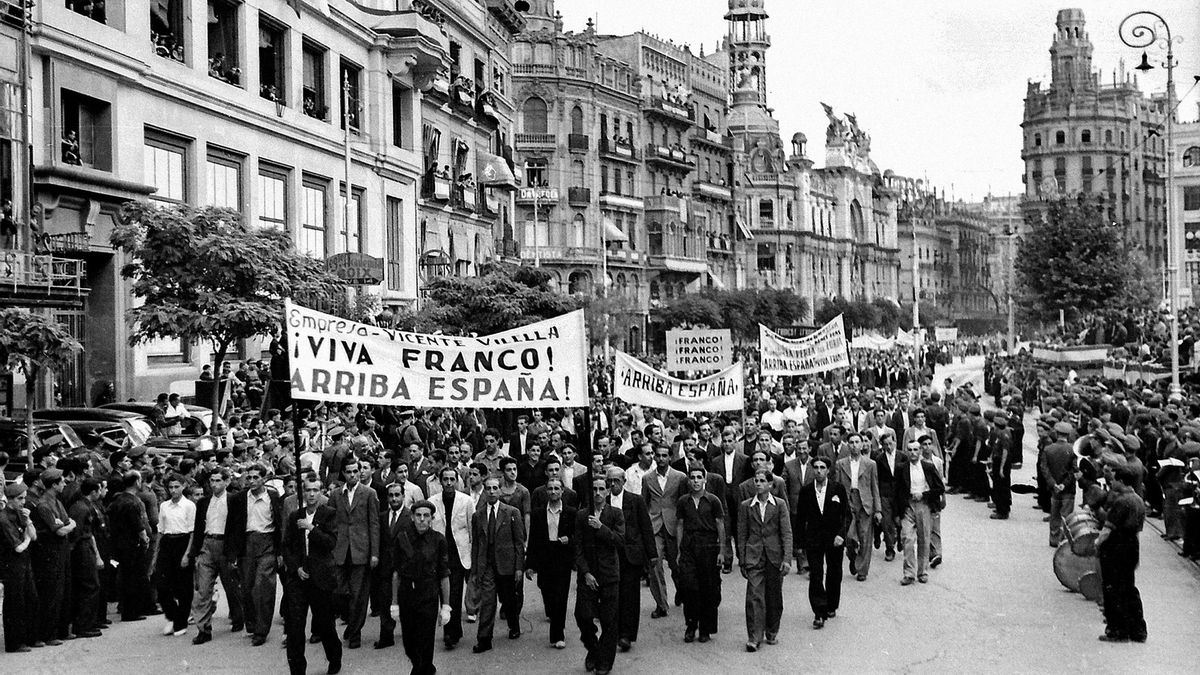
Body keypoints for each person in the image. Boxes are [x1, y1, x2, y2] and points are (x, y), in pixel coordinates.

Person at [282, 477, 342, 675]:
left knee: (325, 624)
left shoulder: (329, 514)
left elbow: (330, 543)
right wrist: (296, 567)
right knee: (295, 626)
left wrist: (311, 529)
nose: (311, 494)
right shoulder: (295, 516)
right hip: (300, 579)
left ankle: (334, 658)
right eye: (308, 490)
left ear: (321, 492)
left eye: (316, 490)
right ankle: (297, 668)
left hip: (321, 578)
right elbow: (288, 546)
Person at [737, 468, 793, 652]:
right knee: (754, 596)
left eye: (762, 481)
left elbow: (786, 532)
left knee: (773, 596)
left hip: (774, 556)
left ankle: (772, 631)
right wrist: (743, 559)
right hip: (754, 557)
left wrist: (786, 559)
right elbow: (742, 533)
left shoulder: (779, 504)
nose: (758, 484)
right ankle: (754, 637)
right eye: (756, 481)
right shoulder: (746, 505)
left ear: (770, 484)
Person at [187, 468, 245, 644]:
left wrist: (234, 553)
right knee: (203, 589)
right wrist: (195, 552)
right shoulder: (204, 502)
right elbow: (198, 528)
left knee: (231, 586)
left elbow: (238, 528)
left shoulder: (234, 500)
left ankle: (238, 617)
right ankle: (204, 629)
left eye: (218, 480)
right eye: (212, 480)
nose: (214, 484)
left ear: (226, 482)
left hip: (225, 546)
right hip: (207, 544)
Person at [393, 500, 451, 675]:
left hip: (428, 596)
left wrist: (446, 606)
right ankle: (422, 667)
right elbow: (396, 573)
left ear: (432, 518)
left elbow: (444, 575)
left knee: (425, 640)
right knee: (409, 643)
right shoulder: (402, 538)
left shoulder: (439, 540)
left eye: (426, 516)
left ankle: (422, 669)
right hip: (407, 596)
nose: (422, 519)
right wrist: (394, 603)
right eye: (418, 515)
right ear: (412, 517)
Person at [574, 476, 625, 675]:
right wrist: (585, 572)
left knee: (609, 621)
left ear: (607, 491)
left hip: (609, 573)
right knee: (583, 616)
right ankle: (593, 649)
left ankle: (605, 662)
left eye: (601, 489)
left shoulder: (616, 514)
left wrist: (601, 527)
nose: (597, 493)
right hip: (588, 573)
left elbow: (620, 540)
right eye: (594, 489)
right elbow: (577, 546)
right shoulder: (581, 516)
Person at [470, 476, 526, 653]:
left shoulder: (511, 512)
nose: (492, 492)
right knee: (488, 602)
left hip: (507, 565)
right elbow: (477, 544)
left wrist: (519, 567)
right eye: (488, 489)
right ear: (484, 491)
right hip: (487, 565)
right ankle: (484, 638)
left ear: (500, 490)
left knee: (509, 599)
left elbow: (519, 542)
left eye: (495, 488)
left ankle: (513, 625)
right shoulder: (478, 516)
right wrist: (475, 569)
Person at [330, 456, 380, 649]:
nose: (352, 475)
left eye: (355, 472)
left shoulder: (369, 493)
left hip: (361, 550)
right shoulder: (335, 495)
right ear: (343, 473)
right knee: (339, 591)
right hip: (341, 550)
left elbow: (374, 524)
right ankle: (350, 624)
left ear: (359, 472)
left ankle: (355, 632)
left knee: (359, 594)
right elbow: (331, 522)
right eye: (348, 472)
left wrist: (374, 553)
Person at [605, 466, 656, 653]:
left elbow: (646, 528)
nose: (612, 484)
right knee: (612, 594)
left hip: (631, 555)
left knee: (630, 596)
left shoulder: (635, 501)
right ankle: (613, 632)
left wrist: (652, 555)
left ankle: (626, 634)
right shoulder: (603, 501)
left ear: (624, 481)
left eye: (616, 481)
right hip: (610, 555)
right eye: (609, 481)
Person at [796, 456, 850, 629]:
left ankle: (832, 604)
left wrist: (841, 534)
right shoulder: (806, 491)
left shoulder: (837, 489)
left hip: (834, 538)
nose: (819, 471)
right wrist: (799, 543)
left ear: (828, 470)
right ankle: (819, 612)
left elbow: (846, 515)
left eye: (822, 468)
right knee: (816, 574)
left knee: (834, 572)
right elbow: (800, 518)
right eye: (816, 467)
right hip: (814, 538)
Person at [233, 463, 284, 646]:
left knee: (264, 587)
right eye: (249, 477)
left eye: (256, 477)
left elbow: (279, 525)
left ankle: (262, 631)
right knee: (247, 587)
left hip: (267, 543)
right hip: (247, 544)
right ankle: (252, 624)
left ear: (264, 478)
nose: (252, 481)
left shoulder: (273, 497)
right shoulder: (240, 498)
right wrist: (233, 553)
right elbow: (232, 526)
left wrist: (280, 552)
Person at [1096, 464, 1148, 643]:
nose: (1113, 481)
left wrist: (1097, 543)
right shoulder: (1138, 500)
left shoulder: (1121, 501)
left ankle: (1117, 629)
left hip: (1117, 545)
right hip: (1132, 544)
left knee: (1113, 588)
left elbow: (1107, 529)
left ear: (1122, 481)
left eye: (1116, 479)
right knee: (1128, 587)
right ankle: (1138, 629)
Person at [675, 465, 726, 644]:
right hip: (689, 547)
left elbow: (720, 524)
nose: (696, 481)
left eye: (699, 477)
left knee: (708, 589)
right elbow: (680, 524)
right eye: (693, 478)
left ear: (705, 480)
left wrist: (722, 550)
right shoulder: (683, 501)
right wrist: (679, 550)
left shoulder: (713, 501)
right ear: (688, 480)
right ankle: (691, 625)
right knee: (689, 588)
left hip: (709, 547)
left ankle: (705, 628)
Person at [525, 478, 576, 649]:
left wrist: (569, 539)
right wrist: (530, 565)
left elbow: (579, 536)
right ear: (546, 492)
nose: (553, 492)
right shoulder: (539, 513)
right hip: (545, 557)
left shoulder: (570, 512)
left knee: (560, 596)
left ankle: (557, 634)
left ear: (562, 491)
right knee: (547, 591)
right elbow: (533, 539)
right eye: (550, 489)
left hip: (562, 557)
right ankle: (554, 620)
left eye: (557, 489)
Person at [431, 466, 474, 650]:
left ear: (457, 481)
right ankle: (452, 628)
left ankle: (451, 632)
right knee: (443, 592)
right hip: (440, 552)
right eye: (445, 479)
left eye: (452, 479)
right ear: (440, 481)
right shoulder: (432, 501)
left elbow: (471, 528)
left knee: (455, 593)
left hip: (458, 552)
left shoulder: (466, 501)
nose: (448, 483)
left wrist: (471, 551)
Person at [30, 468, 75, 645]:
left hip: (60, 549)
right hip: (50, 552)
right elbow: (62, 528)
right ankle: (49, 634)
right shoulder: (44, 505)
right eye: (62, 482)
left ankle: (61, 630)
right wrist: (68, 525)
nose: (64, 484)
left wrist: (66, 525)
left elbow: (65, 522)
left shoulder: (55, 501)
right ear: (54, 484)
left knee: (64, 589)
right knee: (52, 593)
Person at [642, 445, 686, 619]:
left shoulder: (680, 477)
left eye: (664, 456)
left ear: (670, 457)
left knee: (677, 565)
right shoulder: (647, 478)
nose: (660, 458)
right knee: (655, 564)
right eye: (657, 455)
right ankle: (661, 604)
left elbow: (683, 503)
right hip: (655, 526)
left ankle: (681, 590)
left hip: (674, 526)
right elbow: (644, 503)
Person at [895, 440, 945, 585]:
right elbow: (896, 491)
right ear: (906, 451)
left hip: (923, 505)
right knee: (907, 539)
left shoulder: (928, 467)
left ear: (920, 451)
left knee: (924, 539)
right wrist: (896, 514)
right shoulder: (901, 468)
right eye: (910, 450)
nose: (913, 453)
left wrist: (924, 494)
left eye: (916, 449)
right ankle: (909, 573)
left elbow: (939, 488)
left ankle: (922, 572)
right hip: (908, 505)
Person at [835, 432, 881, 581]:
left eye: (857, 442)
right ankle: (853, 556)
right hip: (847, 501)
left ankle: (862, 570)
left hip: (865, 502)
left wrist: (878, 510)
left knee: (865, 537)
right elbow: (836, 485)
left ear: (862, 445)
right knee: (849, 536)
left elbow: (875, 487)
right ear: (848, 445)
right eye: (852, 442)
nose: (854, 445)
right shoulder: (841, 464)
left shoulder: (870, 464)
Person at [109, 470, 152, 624]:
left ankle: (132, 608)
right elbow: (138, 526)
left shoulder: (117, 500)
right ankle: (131, 611)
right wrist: (145, 538)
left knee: (127, 577)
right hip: (132, 545)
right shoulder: (132, 502)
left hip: (120, 544)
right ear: (137, 482)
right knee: (133, 578)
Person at [1, 482, 39, 652]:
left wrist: (29, 521)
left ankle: (29, 637)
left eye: (24, 498)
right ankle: (15, 642)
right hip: (12, 564)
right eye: (19, 499)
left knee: (30, 598)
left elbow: (34, 536)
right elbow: (19, 546)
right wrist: (27, 538)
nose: (23, 502)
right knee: (16, 603)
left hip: (24, 562)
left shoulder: (20, 514)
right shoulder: (3, 519)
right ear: (9, 500)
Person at [156, 473, 196, 636]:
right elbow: (160, 529)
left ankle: (181, 623)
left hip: (183, 541)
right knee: (162, 585)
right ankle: (173, 615)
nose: (173, 490)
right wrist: (156, 554)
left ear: (183, 486)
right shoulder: (164, 506)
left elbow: (192, 531)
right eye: (170, 487)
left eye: (176, 487)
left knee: (184, 586)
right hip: (167, 543)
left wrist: (187, 554)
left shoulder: (189, 506)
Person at [67, 477, 104, 639]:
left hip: (85, 546)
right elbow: (78, 533)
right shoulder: (82, 508)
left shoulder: (83, 506)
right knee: (89, 586)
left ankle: (88, 622)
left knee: (90, 585)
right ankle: (83, 625)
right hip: (82, 549)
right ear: (94, 491)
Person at [1040, 421, 1077, 546]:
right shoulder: (1073, 450)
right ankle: (1064, 541)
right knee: (1066, 516)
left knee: (1054, 514)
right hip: (1068, 489)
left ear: (1056, 433)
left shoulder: (1048, 449)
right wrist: (1064, 484)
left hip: (1054, 489)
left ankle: (1053, 538)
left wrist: (1053, 483)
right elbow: (1074, 470)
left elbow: (1044, 468)